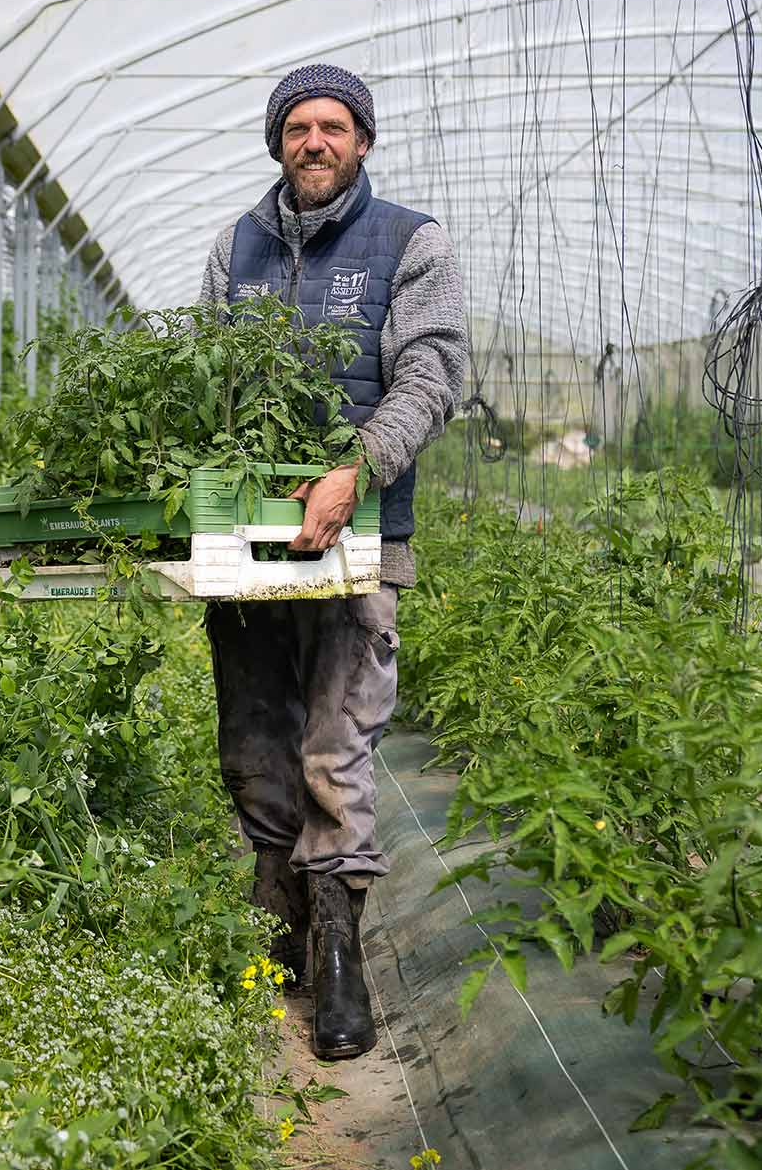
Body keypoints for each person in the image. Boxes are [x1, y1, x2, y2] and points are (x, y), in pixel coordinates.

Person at [197, 63, 468, 1060]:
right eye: (299, 127)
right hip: (247, 544)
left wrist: (357, 466)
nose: (316, 141)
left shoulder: (411, 242)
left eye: (335, 127)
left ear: (363, 141)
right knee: (253, 737)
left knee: (336, 742)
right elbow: (212, 382)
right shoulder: (237, 248)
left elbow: (431, 369)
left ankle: (341, 950)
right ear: (277, 142)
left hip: (363, 536)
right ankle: (280, 930)